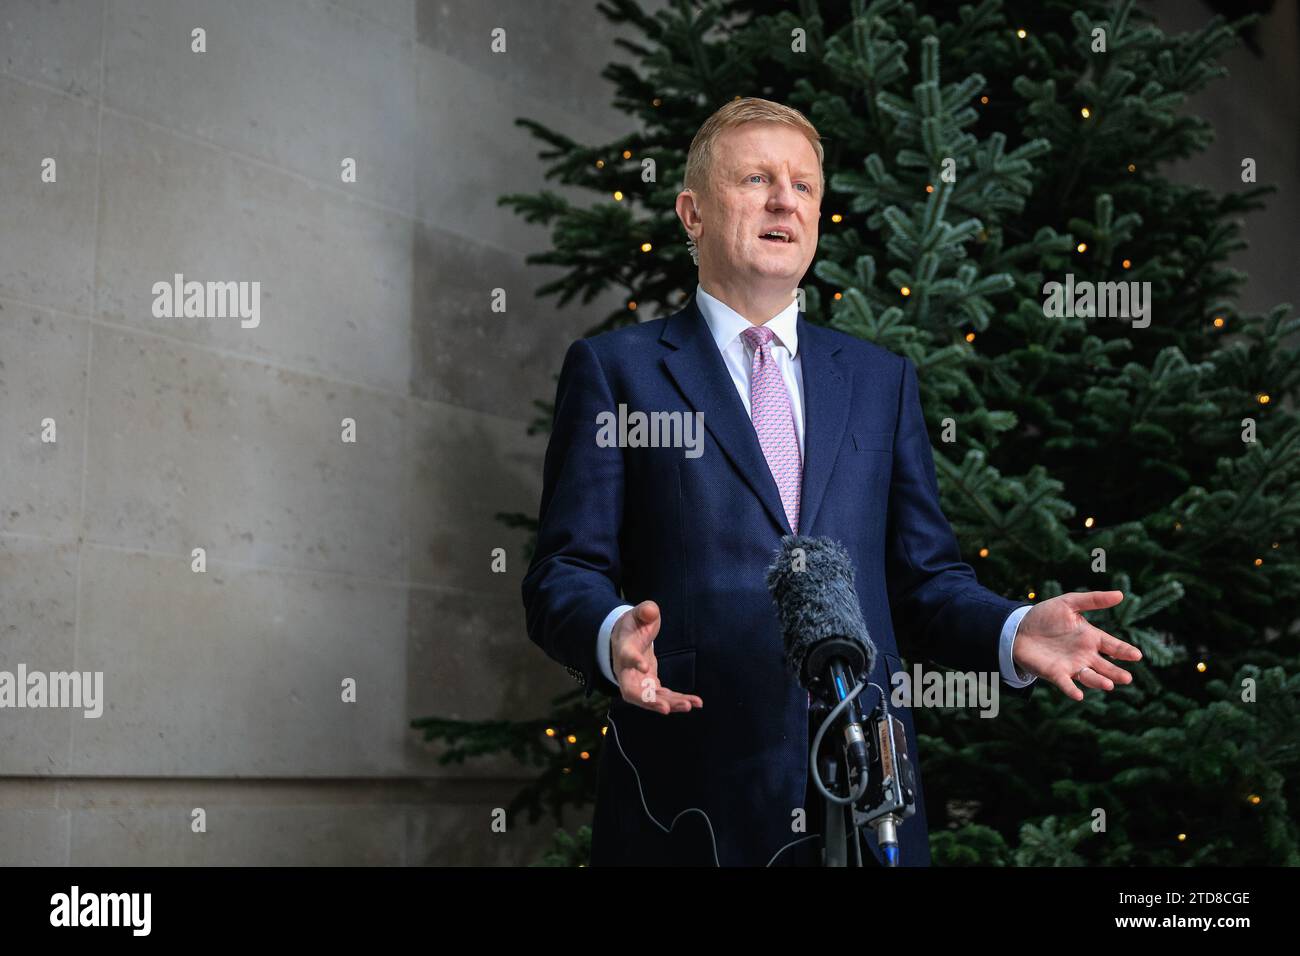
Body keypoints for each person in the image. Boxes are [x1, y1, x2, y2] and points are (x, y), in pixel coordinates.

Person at [521, 97, 1142, 866]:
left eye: (805, 186)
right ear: (693, 212)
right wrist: (612, 632)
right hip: (691, 799)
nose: (786, 199)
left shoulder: (880, 381)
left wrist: (1011, 630)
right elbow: (562, 572)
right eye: (756, 178)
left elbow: (924, 581)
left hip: (864, 798)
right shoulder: (618, 371)